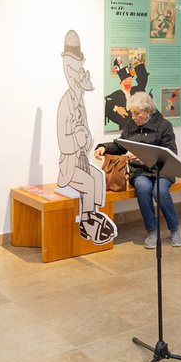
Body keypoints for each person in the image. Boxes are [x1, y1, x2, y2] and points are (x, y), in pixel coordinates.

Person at [94, 92, 181, 249]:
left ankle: (175, 229)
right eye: (132, 113)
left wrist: (149, 159)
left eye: (137, 113)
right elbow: (120, 146)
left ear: (148, 111)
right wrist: (103, 147)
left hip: (162, 170)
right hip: (141, 172)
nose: (133, 117)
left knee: (160, 192)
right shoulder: (131, 126)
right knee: (142, 188)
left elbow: (171, 154)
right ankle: (151, 231)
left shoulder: (164, 126)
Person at [56, 30, 117, 245]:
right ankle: (86, 220)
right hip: (70, 165)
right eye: (76, 68)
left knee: (97, 177)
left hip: (81, 160)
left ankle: (91, 215)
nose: (81, 73)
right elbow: (64, 143)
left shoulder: (78, 99)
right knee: (89, 181)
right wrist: (78, 140)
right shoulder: (66, 103)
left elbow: (86, 133)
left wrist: (86, 139)